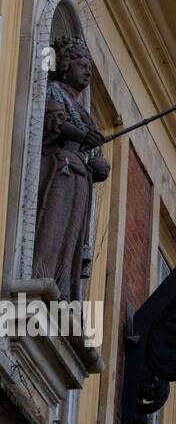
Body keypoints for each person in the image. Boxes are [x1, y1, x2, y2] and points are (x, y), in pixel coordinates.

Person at [32, 35, 110, 300]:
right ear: (65, 65)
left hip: (80, 178)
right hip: (60, 169)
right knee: (54, 223)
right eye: (81, 62)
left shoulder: (83, 111)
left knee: (72, 237)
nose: (87, 69)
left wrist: (100, 162)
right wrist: (82, 136)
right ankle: (41, 274)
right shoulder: (55, 90)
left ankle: (63, 287)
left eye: (88, 64)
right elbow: (55, 122)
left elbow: (98, 160)